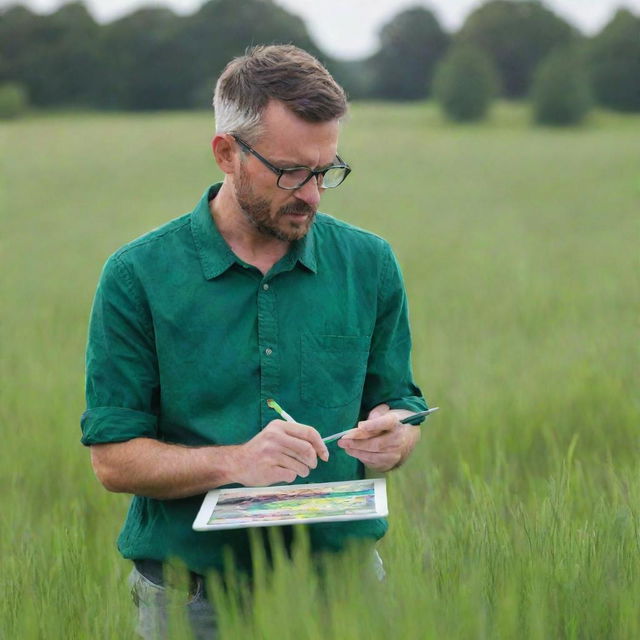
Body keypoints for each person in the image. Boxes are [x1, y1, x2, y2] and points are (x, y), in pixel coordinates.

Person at [81, 44, 427, 639]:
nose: (312, 194)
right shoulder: (138, 275)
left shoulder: (369, 263)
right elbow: (113, 459)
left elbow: (401, 404)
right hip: (193, 601)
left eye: (325, 170)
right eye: (290, 172)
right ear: (225, 153)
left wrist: (396, 438)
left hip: (344, 590)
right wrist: (236, 462)